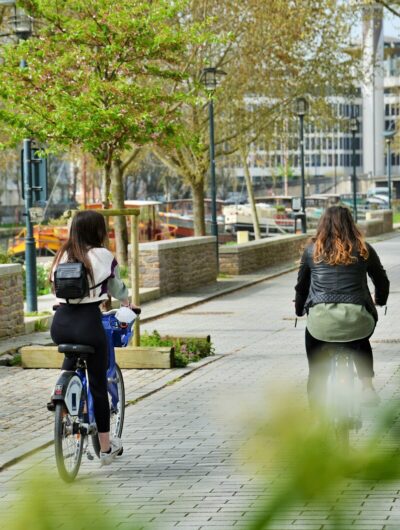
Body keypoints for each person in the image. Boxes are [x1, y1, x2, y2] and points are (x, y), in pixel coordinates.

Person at [49, 210, 139, 465]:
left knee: (70, 360)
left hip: (61, 324)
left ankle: (63, 403)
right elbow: (117, 288)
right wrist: (126, 303)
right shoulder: (103, 256)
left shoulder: (61, 255)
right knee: (98, 386)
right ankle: (106, 448)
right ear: (97, 231)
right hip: (89, 324)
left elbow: (54, 289)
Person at [294, 205, 389, 409]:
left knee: (316, 368)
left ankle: (317, 417)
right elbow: (381, 281)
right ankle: (367, 387)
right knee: (360, 340)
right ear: (350, 224)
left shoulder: (312, 251)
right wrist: (380, 300)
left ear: (323, 225)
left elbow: (301, 287)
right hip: (357, 318)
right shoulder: (364, 249)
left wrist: (299, 309)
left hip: (321, 322)